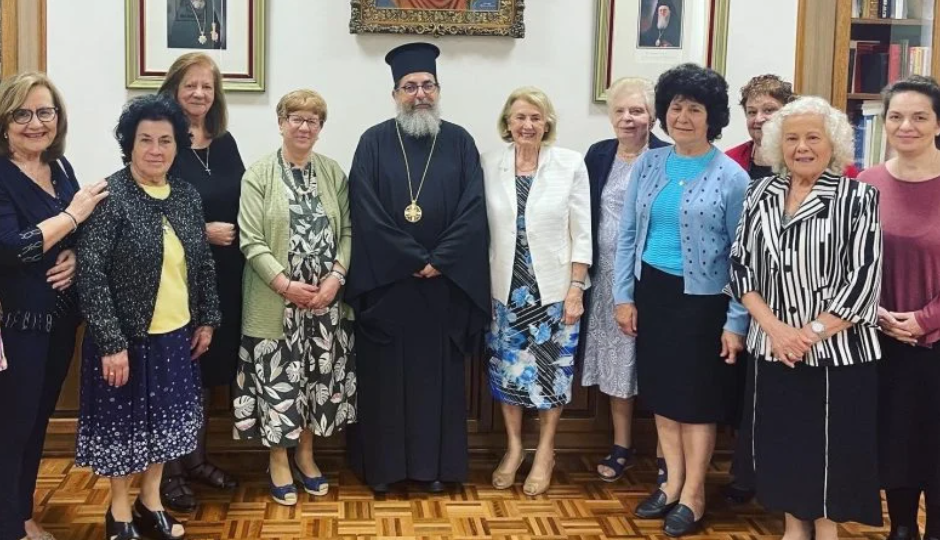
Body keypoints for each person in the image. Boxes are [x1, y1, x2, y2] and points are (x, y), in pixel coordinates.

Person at [729, 96, 883, 540]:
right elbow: (741, 267)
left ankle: (826, 527)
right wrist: (777, 331)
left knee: (830, 448)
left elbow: (862, 282)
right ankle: (793, 525)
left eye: (813, 137)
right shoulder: (760, 193)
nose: (802, 147)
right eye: (792, 138)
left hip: (838, 351)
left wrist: (807, 334)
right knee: (783, 443)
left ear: (832, 143)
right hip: (772, 346)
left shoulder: (859, 197)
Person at [345, 42, 489, 494]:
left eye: (427, 85)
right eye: (410, 87)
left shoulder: (460, 141)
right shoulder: (372, 142)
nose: (420, 94)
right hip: (390, 289)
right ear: (395, 94)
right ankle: (384, 471)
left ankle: (434, 469)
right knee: (385, 386)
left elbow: (473, 211)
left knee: (435, 386)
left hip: (441, 290)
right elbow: (364, 211)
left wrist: (439, 262)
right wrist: (410, 259)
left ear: (438, 89)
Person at [76, 94, 220, 540]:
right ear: (129, 144)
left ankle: (150, 501)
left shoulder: (186, 197)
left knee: (166, 426)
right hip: (125, 340)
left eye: (165, 140)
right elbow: (91, 272)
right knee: (123, 429)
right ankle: (119, 513)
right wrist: (111, 342)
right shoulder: (110, 196)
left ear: (178, 145)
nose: (156, 149)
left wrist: (207, 319)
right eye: (145, 140)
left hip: (175, 335)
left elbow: (201, 264)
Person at [613, 63, 749, 536]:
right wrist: (623, 296)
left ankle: (694, 493)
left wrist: (736, 322)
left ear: (712, 117)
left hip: (704, 303)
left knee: (697, 403)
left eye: (695, 109)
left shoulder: (731, 176)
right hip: (654, 294)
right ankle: (670, 484)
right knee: (665, 399)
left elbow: (743, 256)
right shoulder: (649, 163)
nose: (683, 117)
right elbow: (629, 234)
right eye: (676, 107)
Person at [233, 89, 355, 506]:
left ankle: (307, 454)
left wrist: (335, 279)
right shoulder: (259, 174)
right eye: (296, 119)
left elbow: (349, 233)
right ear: (281, 123)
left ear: (321, 128)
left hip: (323, 303)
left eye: (313, 121)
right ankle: (279, 459)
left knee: (314, 379)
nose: (304, 127)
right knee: (280, 383)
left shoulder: (333, 172)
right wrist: (285, 284)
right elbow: (250, 240)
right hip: (276, 302)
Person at [0, 72, 107, 540]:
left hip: (60, 321)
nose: (35, 123)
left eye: (45, 112)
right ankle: (9, 525)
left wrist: (76, 253)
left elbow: (81, 234)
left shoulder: (59, 169)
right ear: (4, 123)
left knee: (37, 420)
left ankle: (21, 514)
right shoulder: (2, 175)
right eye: (22, 113)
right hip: (16, 326)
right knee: (12, 428)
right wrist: (72, 216)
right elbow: (12, 248)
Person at [483, 87, 591, 496]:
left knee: (551, 374)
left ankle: (545, 451)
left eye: (536, 118)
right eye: (520, 118)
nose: (528, 125)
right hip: (504, 290)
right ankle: (513, 449)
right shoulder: (489, 163)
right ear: (507, 123)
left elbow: (582, 232)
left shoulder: (569, 164)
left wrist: (576, 288)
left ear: (547, 124)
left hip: (553, 291)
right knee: (507, 372)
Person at [157, 51, 245, 513]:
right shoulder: (159, 139)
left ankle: (196, 458)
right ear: (174, 88)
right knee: (177, 371)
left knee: (208, 372)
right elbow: (147, 206)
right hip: (176, 276)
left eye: (206, 86)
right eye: (190, 85)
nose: (198, 93)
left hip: (225, 275)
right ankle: (169, 472)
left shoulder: (224, 142)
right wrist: (201, 232)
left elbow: (245, 197)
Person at [859, 75, 940, 540]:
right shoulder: (866, 183)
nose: (905, 125)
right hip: (882, 341)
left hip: (936, 345)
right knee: (897, 444)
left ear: (936, 124)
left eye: (918, 116)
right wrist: (880, 315)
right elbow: (852, 264)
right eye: (895, 116)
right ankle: (902, 527)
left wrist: (925, 320)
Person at [579, 76, 668, 483]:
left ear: (652, 116)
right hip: (605, 281)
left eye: (637, 110)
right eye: (620, 111)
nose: (628, 118)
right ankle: (621, 445)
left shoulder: (669, 156)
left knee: (658, 365)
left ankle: (667, 454)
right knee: (617, 366)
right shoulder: (598, 155)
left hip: (654, 280)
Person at [722, 73, 797, 506]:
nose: (759, 118)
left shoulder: (808, 157)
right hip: (741, 292)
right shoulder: (732, 162)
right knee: (744, 392)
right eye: (752, 111)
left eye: (769, 110)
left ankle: (785, 481)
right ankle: (745, 473)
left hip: (796, 302)